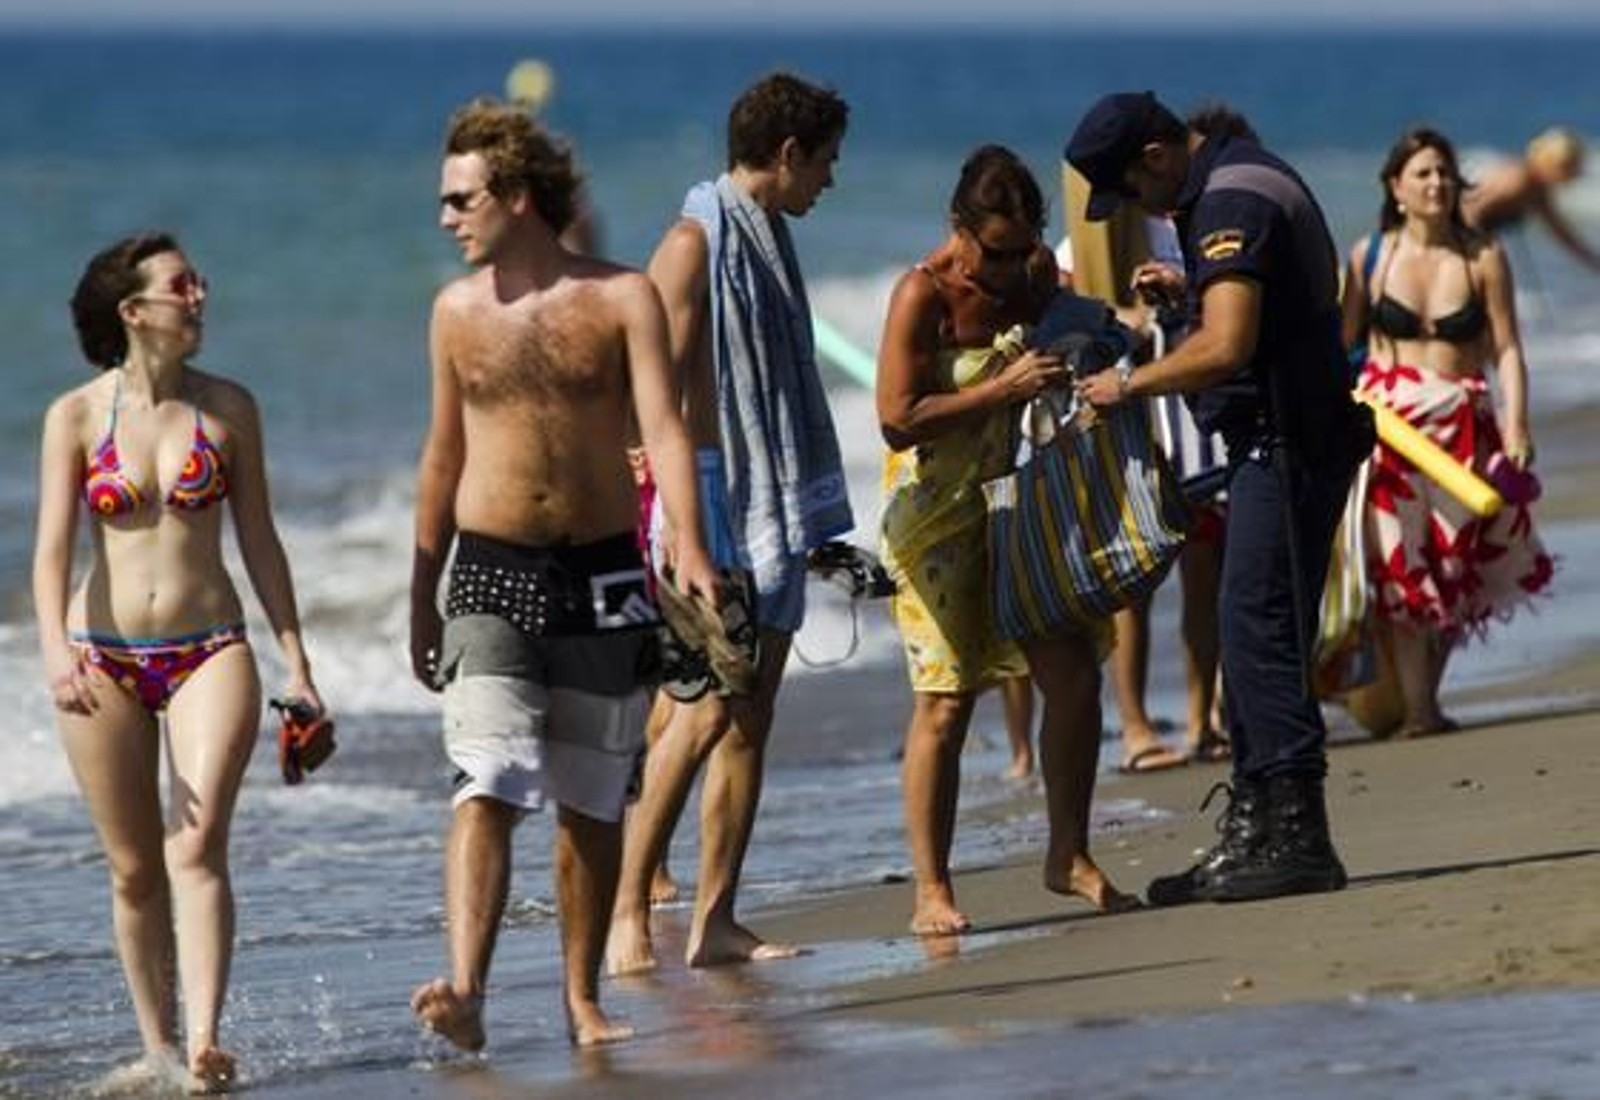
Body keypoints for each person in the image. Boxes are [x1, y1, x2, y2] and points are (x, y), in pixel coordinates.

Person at [408, 98, 717, 1050]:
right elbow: (441, 458)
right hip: (490, 571)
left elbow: (665, 429)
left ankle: (583, 1001)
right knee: (488, 774)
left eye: (460, 200)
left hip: (605, 568)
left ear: (516, 197)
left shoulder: (622, 298)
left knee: (590, 793)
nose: (447, 218)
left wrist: (689, 547)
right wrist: (421, 596)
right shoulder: (455, 313)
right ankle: (466, 987)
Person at [33, 233, 324, 1093]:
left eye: (198, 280)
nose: (199, 294)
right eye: (180, 284)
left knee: (196, 848)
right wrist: (53, 654)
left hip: (210, 649)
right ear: (134, 311)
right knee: (133, 868)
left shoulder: (230, 408)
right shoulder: (75, 417)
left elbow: (261, 542)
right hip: (102, 658)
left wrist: (296, 661)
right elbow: (50, 555)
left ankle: (204, 1046)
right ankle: (154, 1045)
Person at [1067, 93, 1372, 905]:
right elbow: (1255, 313)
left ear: (1158, 157)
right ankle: (1259, 826)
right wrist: (1192, 287)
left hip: (1286, 441)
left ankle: (1295, 833)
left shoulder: (1228, 199)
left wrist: (1128, 383)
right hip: (1288, 437)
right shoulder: (1240, 178)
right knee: (1254, 629)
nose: (1139, 210)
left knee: (1258, 630)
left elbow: (1230, 345)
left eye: (1132, 192)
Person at [605, 72, 853, 976]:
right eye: (824, 161)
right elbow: (643, 385)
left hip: (770, 492)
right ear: (787, 153)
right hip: (708, 491)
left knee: (752, 715)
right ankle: (626, 906)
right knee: (707, 711)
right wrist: (670, 519)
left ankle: (717, 920)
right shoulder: (692, 241)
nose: (830, 179)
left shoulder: (771, 237)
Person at [877, 144, 1135, 935]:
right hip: (935, 515)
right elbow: (896, 416)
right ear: (958, 231)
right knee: (946, 706)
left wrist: (1125, 319)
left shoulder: (1030, 278)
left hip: (1020, 502)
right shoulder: (921, 294)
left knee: (1075, 674)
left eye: (1024, 248)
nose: (1008, 266)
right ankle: (933, 888)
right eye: (993, 250)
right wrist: (1000, 389)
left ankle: (1069, 853)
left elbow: (1098, 338)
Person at [1341, 128, 1554, 737]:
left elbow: (1508, 347)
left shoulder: (1482, 255)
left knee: (1457, 568)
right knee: (1400, 566)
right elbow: (1343, 347)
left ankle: (1423, 695)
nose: (1437, 183)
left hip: (1464, 425)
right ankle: (1418, 709)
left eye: (1445, 173)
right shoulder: (1369, 257)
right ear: (1396, 187)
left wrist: (1516, 422)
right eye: (1424, 173)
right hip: (1389, 430)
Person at [1058, 179, 1227, 774]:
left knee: (1205, 574)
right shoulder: (1073, 252)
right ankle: (1134, 725)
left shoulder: (1177, 231)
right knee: (1133, 587)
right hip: (1131, 431)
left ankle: (1201, 715)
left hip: (1189, 424)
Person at [1462, 126, 1600, 273]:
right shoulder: (1518, 182)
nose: (1569, 180)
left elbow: (1564, 236)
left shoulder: (1538, 191)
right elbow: (1469, 211)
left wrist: (1594, 263)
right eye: (1569, 170)